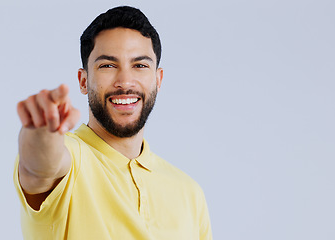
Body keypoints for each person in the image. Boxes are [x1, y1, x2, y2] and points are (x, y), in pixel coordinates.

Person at [14, 6, 212, 240]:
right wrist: (41, 131)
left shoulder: (189, 192)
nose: (125, 81)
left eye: (140, 65)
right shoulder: (70, 160)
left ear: (158, 80)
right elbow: (40, 167)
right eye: (108, 65)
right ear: (83, 80)